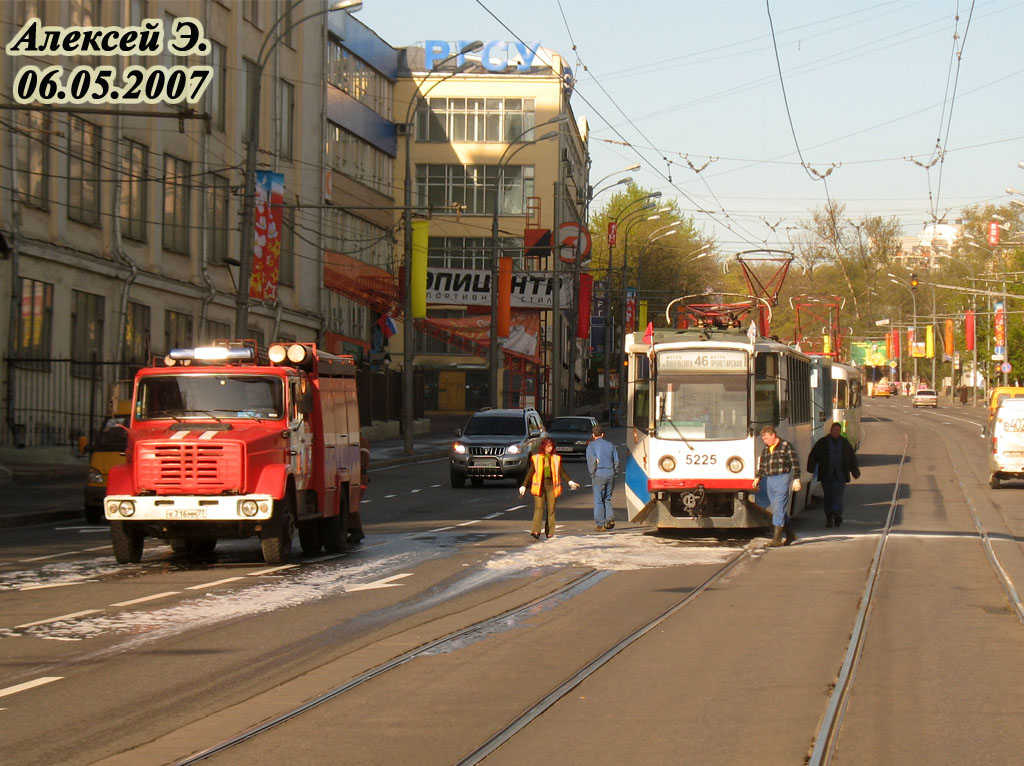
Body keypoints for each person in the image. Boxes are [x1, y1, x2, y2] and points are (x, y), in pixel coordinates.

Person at [519, 437, 580, 539]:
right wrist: (524, 485)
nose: (550, 448)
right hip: (539, 487)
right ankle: (535, 531)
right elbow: (530, 473)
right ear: (543, 447)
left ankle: (550, 532)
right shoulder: (537, 458)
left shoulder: (556, 459)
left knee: (551, 510)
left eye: (551, 446)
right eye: (548, 446)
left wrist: (570, 481)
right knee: (538, 508)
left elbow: (562, 472)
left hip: (551, 486)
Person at [752, 425, 801, 547]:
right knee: (776, 509)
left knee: (779, 507)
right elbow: (763, 466)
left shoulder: (786, 446)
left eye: (766, 438)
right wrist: (758, 477)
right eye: (763, 439)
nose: (765, 441)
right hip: (770, 480)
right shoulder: (767, 448)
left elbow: (795, 462)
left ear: (773, 435)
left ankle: (777, 538)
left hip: (782, 478)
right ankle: (790, 534)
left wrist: (796, 479)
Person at [807, 422, 860, 528]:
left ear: (840, 431)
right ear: (831, 430)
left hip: (840, 476)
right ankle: (829, 518)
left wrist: (855, 471)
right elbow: (814, 455)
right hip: (827, 475)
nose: (835, 431)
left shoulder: (845, 443)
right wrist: (811, 468)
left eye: (837, 430)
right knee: (828, 497)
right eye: (834, 429)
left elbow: (851, 458)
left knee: (837, 496)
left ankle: (837, 514)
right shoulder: (823, 442)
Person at [586, 424, 619, 531]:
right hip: (610, 472)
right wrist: (615, 472)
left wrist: (592, 474)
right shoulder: (610, 445)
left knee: (598, 499)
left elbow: (592, 462)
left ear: (593, 435)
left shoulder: (591, 446)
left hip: (599, 473)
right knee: (607, 498)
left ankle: (600, 524)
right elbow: (616, 461)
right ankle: (609, 519)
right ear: (603, 434)